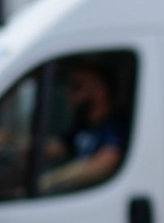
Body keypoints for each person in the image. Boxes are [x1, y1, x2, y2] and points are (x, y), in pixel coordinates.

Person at [40, 60, 128, 194]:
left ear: (100, 91)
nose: (69, 96)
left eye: (77, 87)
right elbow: (56, 147)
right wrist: (14, 144)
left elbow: (105, 162)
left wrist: (48, 181)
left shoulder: (116, 126)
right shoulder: (83, 126)